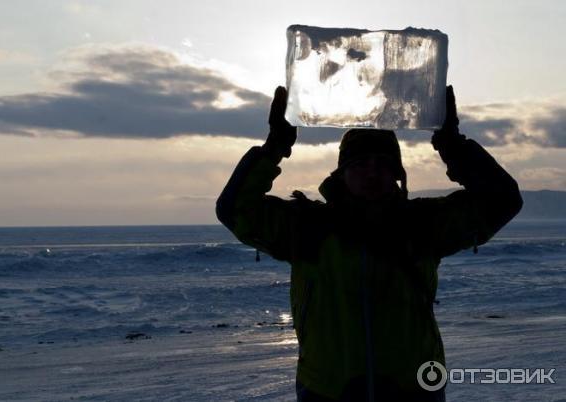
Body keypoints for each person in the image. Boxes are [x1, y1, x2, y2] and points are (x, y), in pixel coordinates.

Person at [215, 86, 523, 401]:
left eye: (383, 163)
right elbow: (234, 209)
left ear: (397, 174)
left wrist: (453, 146)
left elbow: (503, 200)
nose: (372, 171)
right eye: (361, 163)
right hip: (327, 390)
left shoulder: (423, 224)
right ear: (342, 172)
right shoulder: (306, 226)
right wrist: (275, 146)